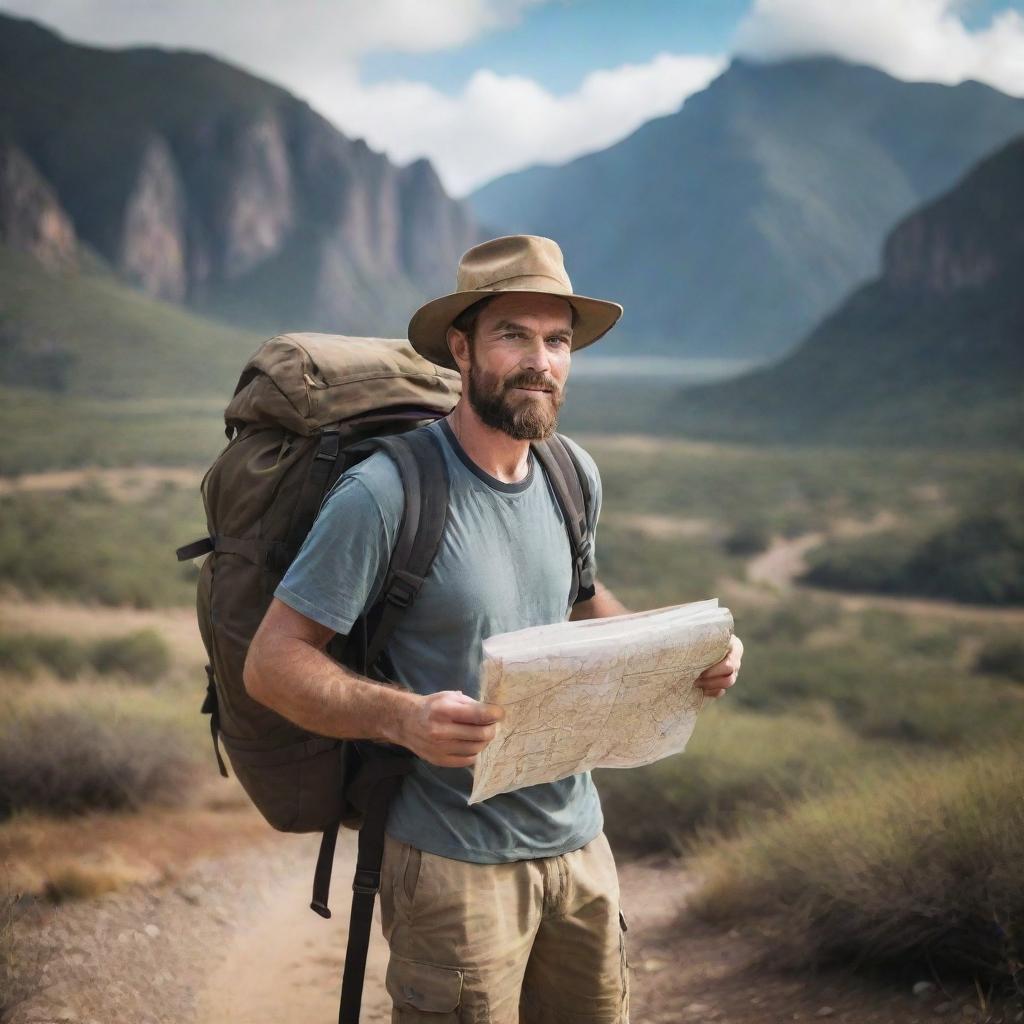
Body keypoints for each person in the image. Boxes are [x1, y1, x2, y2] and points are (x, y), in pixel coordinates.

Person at [243, 234, 744, 1023]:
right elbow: (272, 662)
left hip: (581, 848)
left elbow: (581, 606)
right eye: (514, 335)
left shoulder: (571, 472)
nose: (539, 361)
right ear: (462, 347)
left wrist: (685, 654)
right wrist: (404, 717)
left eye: (557, 341)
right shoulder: (384, 494)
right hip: (450, 864)